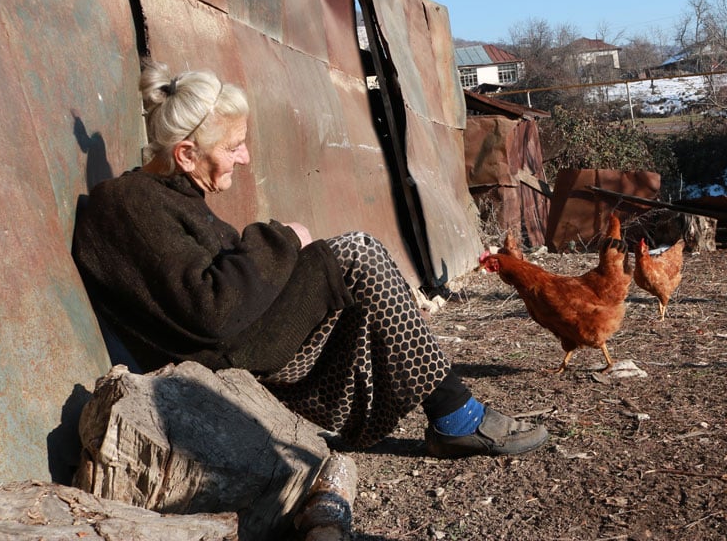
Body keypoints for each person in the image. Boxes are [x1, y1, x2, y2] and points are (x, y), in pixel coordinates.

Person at [72, 60, 548, 458]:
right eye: (233, 146)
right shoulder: (131, 204)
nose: (244, 158)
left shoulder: (162, 197)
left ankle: (450, 412)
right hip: (221, 359)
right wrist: (281, 240)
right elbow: (210, 309)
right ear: (186, 154)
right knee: (352, 255)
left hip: (243, 342)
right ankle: (456, 416)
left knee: (355, 277)